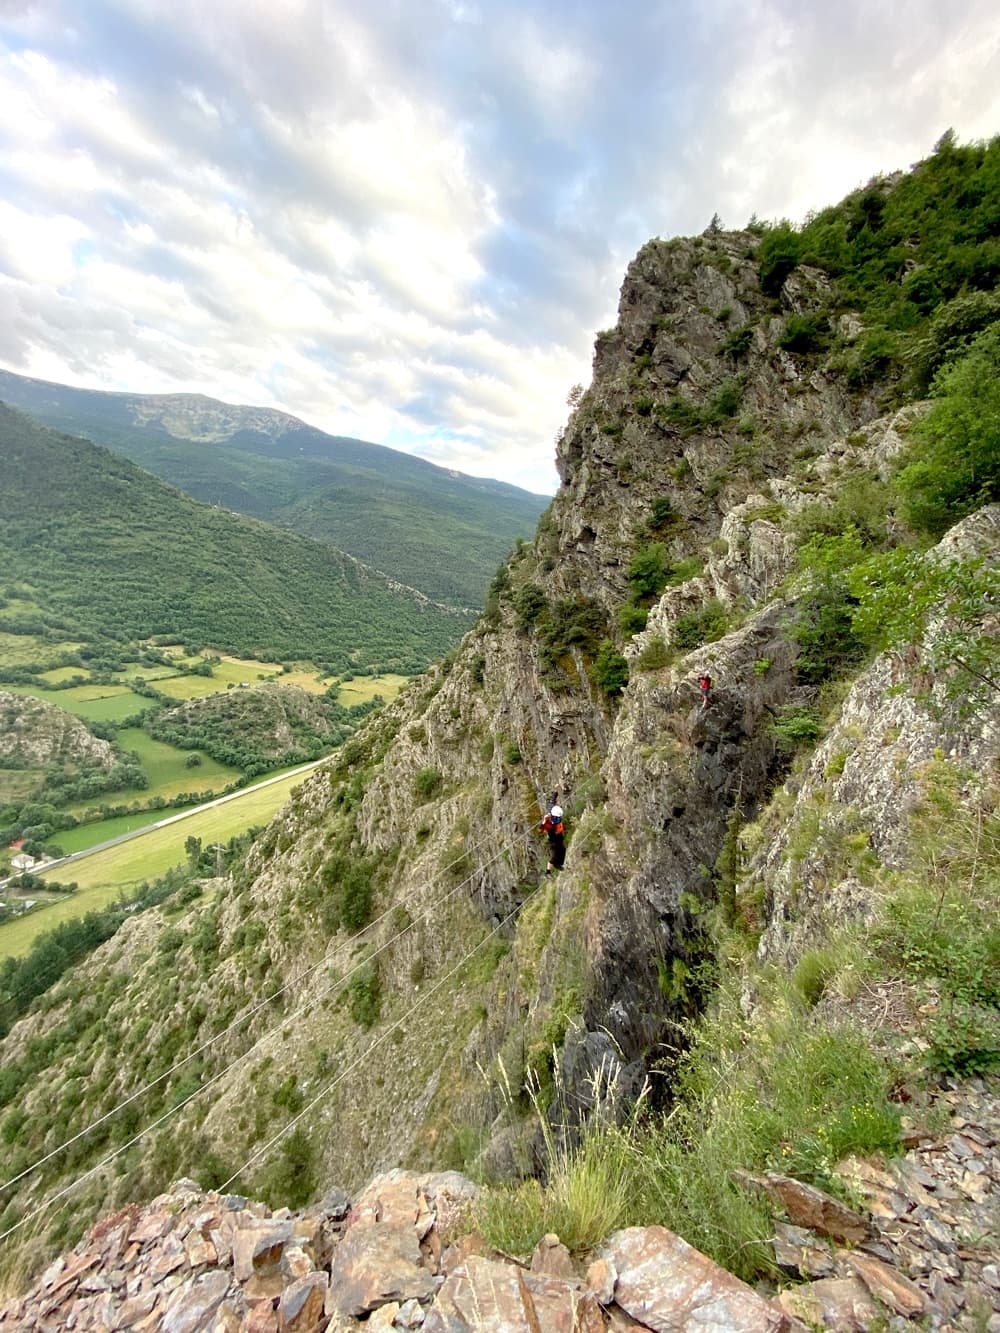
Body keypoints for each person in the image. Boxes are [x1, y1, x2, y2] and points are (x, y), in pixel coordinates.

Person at [539, 798, 566, 874]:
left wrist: (556, 793)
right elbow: (540, 830)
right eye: (556, 818)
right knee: (554, 856)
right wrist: (544, 821)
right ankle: (548, 872)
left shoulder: (553, 810)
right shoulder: (548, 822)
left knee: (563, 850)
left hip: (559, 837)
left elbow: (552, 800)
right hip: (553, 840)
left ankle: (558, 864)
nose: (558, 819)